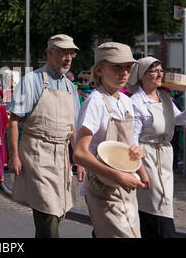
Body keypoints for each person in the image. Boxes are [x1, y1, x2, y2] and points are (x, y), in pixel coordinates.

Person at [7, 34, 83, 238]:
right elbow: (13, 121)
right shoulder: (30, 81)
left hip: (61, 159)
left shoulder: (70, 87)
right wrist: (13, 155)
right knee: (48, 214)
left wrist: (79, 159)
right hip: (37, 154)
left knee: (56, 212)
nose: (68, 58)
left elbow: (73, 128)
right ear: (49, 53)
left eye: (71, 53)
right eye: (63, 53)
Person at [73, 42, 146, 238]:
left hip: (126, 185)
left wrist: (139, 159)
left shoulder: (126, 101)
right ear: (99, 70)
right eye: (117, 66)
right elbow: (79, 153)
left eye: (127, 68)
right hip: (103, 187)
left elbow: (128, 144)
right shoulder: (94, 102)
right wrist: (117, 176)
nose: (123, 72)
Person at [126, 57, 186, 238]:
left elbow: (179, 120)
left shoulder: (164, 96)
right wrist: (141, 171)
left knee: (164, 202)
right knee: (156, 205)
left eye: (161, 70)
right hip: (147, 157)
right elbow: (132, 141)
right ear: (142, 76)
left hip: (165, 157)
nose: (160, 74)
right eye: (154, 71)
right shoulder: (136, 101)